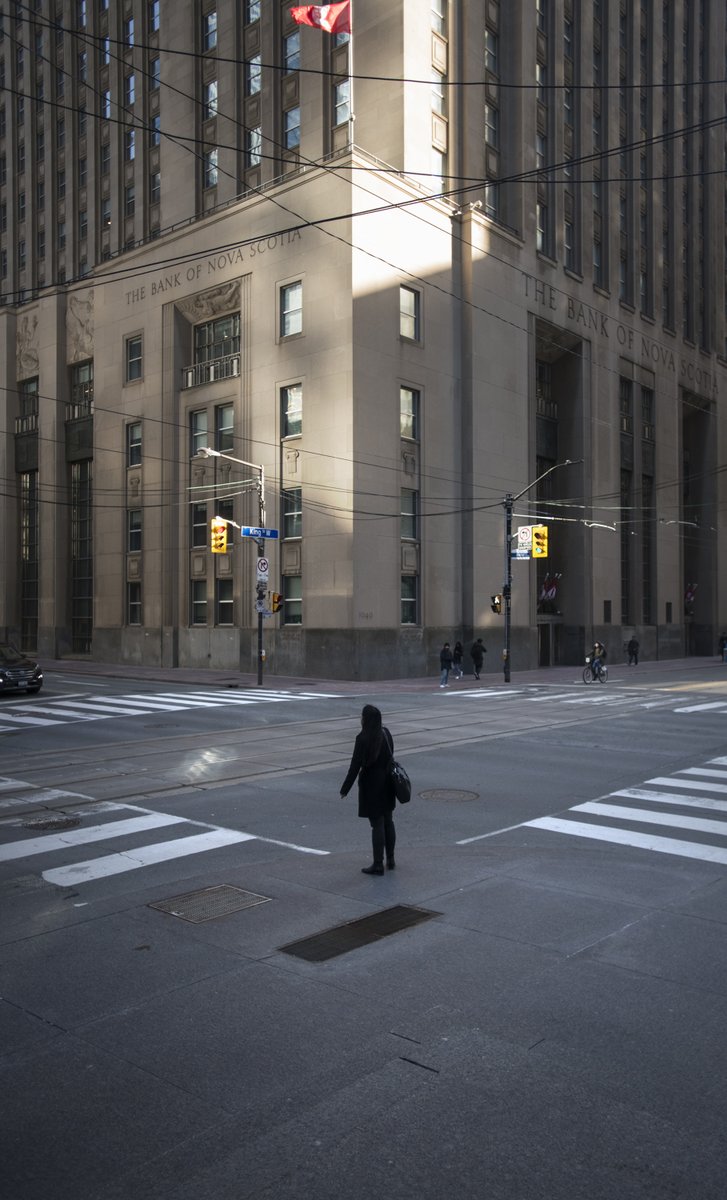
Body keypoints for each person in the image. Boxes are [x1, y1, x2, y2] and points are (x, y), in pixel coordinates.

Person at [340, 704, 396, 876]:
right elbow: (391, 753)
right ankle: (391, 859)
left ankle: (378, 864)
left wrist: (345, 788)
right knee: (388, 820)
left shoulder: (363, 738)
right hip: (388, 781)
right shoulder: (385, 733)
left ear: (365, 719)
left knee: (376, 824)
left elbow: (355, 766)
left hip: (371, 784)